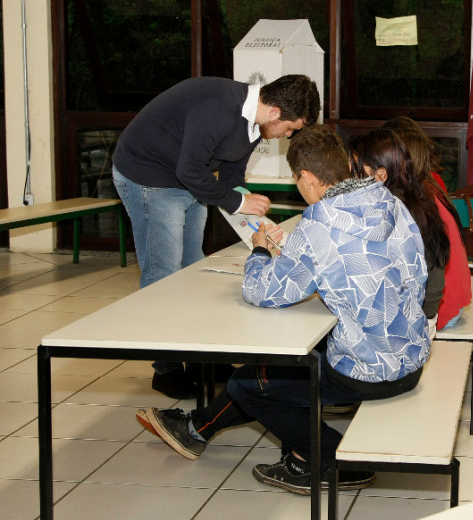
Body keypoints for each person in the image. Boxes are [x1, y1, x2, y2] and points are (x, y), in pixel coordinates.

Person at [138, 125, 431, 496]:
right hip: (412, 353)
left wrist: (260, 251)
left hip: (369, 371)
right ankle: (197, 430)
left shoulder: (319, 226)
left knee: (249, 382)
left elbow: (261, 292)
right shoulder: (388, 202)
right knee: (283, 363)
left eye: (296, 180)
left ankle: (333, 461)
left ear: (307, 178)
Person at [112, 74, 321, 399]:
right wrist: (239, 202)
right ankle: (165, 369)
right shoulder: (220, 109)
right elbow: (189, 170)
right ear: (276, 111)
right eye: (291, 128)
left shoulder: (255, 121)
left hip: (186, 177)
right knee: (163, 272)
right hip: (149, 176)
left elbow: (233, 169)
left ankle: (201, 359)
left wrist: (250, 211)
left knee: (192, 269)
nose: (288, 136)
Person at [350, 128, 470, 330]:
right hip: (425, 314)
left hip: (410, 324)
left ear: (380, 174)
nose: (352, 177)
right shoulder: (417, 196)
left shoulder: (391, 211)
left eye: (356, 170)